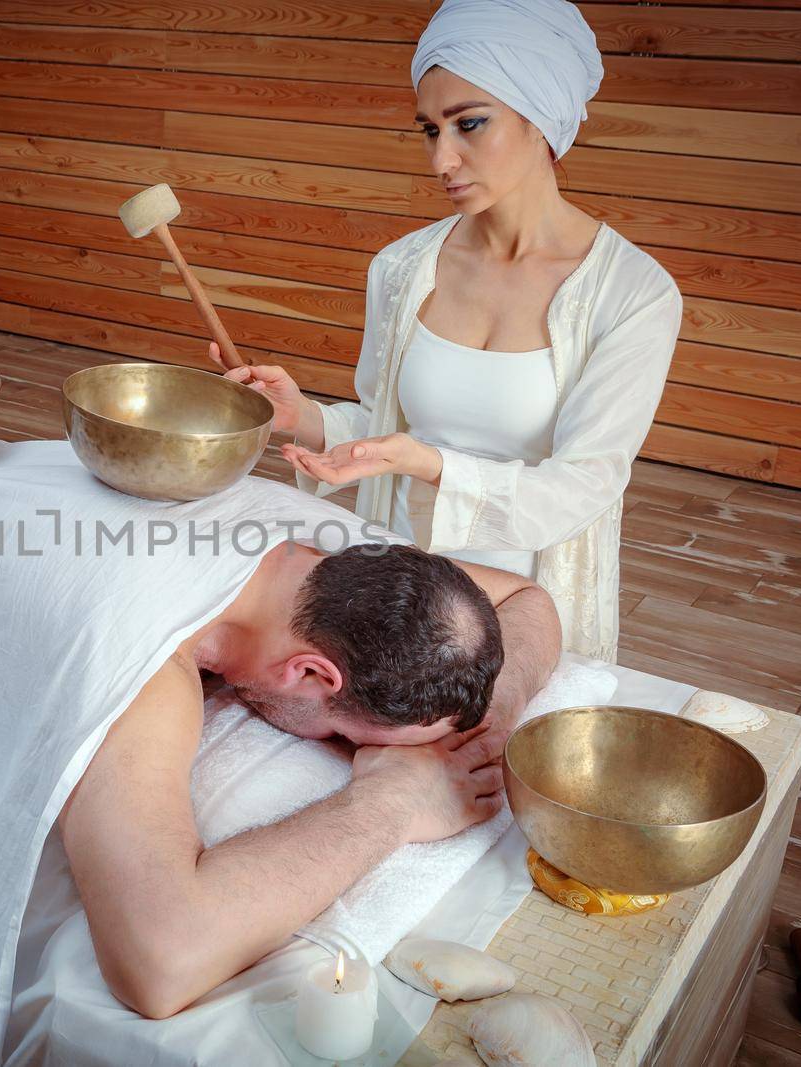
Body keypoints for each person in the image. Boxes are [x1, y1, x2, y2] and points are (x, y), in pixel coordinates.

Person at [211, 0, 684, 662]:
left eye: (470, 124)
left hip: (520, 606)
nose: (442, 160)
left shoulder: (633, 293)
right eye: (430, 130)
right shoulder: (405, 268)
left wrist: (428, 463)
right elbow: (388, 434)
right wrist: (306, 419)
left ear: (541, 118)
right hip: (390, 583)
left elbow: (583, 487)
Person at [59, 539, 561, 1019]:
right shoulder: (143, 659)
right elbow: (158, 965)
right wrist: (395, 801)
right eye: (348, 737)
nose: (353, 748)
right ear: (312, 674)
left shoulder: (317, 563)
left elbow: (526, 599)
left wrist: (492, 722)